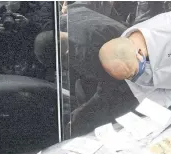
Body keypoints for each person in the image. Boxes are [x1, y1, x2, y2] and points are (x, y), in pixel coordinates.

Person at [34, 6, 138, 137]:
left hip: (134, 72)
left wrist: (83, 112)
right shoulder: (69, 16)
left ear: (65, 55)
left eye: (65, 64)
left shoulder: (85, 54)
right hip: (129, 36)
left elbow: (109, 89)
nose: (67, 67)